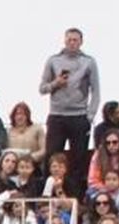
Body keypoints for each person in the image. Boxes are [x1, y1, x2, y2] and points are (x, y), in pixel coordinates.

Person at [38, 28, 101, 197]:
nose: (72, 43)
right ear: (64, 41)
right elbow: (42, 88)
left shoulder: (89, 62)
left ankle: (76, 196)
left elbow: (95, 90)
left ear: (81, 42)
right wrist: (56, 83)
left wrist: (90, 115)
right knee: (52, 157)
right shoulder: (53, 60)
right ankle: (48, 195)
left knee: (78, 159)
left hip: (79, 116)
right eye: (69, 40)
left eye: (75, 40)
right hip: (57, 115)